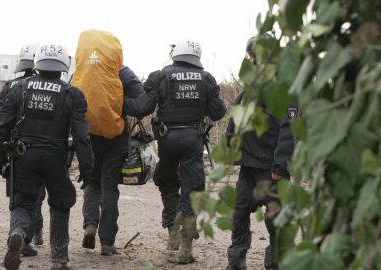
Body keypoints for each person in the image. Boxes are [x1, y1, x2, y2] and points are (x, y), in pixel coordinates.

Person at [123, 39, 227, 264]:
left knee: (166, 180)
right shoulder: (206, 78)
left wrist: (118, 101)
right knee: (192, 190)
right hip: (193, 140)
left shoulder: (161, 76)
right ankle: (185, 249)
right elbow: (218, 113)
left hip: (168, 139)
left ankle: (172, 234)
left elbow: (142, 107)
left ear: (175, 54)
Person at [0, 42, 93, 270]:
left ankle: (18, 232)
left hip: (23, 155)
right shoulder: (72, 94)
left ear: (37, 62)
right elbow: (82, 137)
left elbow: (1, 127)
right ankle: (59, 259)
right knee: (60, 203)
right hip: (55, 158)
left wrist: (1, 161)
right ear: (63, 65)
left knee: (22, 200)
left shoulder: (18, 89)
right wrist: (87, 169)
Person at [225, 34, 298, 270]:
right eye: (252, 57)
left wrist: (281, 165)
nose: (254, 61)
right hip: (248, 166)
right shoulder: (251, 88)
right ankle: (236, 262)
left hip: (272, 168)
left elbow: (290, 129)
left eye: (258, 57)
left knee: (275, 218)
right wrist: (230, 150)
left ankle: (276, 261)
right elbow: (235, 121)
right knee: (239, 213)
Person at [71, 29, 145, 256]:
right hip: (115, 139)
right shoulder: (122, 72)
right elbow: (141, 105)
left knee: (91, 183)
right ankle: (107, 241)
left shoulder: (78, 74)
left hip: (87, 138)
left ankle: (90, 225)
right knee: (109, 186)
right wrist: (121, 105)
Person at [0, 43, 45, 255]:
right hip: (41, 150)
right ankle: (27, 236)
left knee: (18, 195)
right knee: (36, 195)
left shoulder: (9, 86)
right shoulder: (46, 85)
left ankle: (26, 233)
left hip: (13, 151)